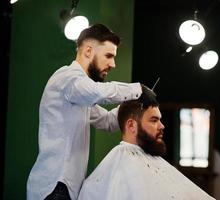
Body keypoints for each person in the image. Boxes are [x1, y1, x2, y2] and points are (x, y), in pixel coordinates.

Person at [26, 23, 147, 200]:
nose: (113, 64)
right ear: (88, 51)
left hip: (66, 189)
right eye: (108, 56)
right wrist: (138, 90)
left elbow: (107, 121)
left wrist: (133, 103)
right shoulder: (67, 78)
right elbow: (97, 92)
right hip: (54, 188)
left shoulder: (79, 94)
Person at [78, 92, 215, 200]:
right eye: (154, 120)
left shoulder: (155, 163)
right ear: (131, 125)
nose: (162, 126)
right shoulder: (111, 176)